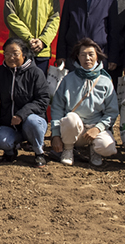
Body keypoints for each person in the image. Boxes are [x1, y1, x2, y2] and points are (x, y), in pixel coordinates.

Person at [50, 38, 117, 167]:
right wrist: (56, 135)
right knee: (70, 118)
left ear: (97, 56)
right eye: (83, 55)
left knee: (107, 148)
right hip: (74, 130)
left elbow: (112, 112)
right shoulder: (68, 80)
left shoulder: (106, 82)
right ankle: (68, 149)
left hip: (96, 128)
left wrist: (98, 128)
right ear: (77, 57)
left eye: (91, 54)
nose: (87, 58)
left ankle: (95, 150)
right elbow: (57, 108)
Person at [0, 37, 51, 166]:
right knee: (1, 140)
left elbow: (43, 99)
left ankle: (39, 152)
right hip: (8, 124)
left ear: (23, 54)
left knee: (33, 122)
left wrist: (21, 115)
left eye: (15, 53)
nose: (11, 57)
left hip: (30, 122)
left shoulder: (36, 73)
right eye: (7, 54)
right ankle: (10, 152)